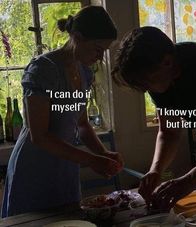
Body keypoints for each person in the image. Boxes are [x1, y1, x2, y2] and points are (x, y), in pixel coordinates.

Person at [1, 6, 124, 217]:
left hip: (65, 167)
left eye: (104, 50)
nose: (100, 56)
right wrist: (92, 160)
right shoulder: (43, 69)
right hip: (34, 166)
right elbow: (39, 136)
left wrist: (102, 153)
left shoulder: (84, 73)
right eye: (97, 48)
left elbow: (83, 124)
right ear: (76, 37)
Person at [111, 26, 196, 212]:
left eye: (147, 82)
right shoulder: (159, 78)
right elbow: (169, 132)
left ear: (168, 62)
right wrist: (155, 170)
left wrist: (190, 179)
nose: (146, 89)